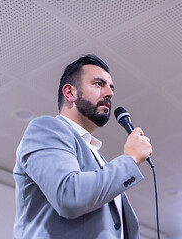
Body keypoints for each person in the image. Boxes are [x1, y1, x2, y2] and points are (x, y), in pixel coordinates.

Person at [13, 54, 152, 239]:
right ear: (70, 93)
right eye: (98, 84)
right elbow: (68, 196)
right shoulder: (46, 129)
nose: (109, 93)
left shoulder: (99, 159)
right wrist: (131, 159)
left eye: (111, 87)